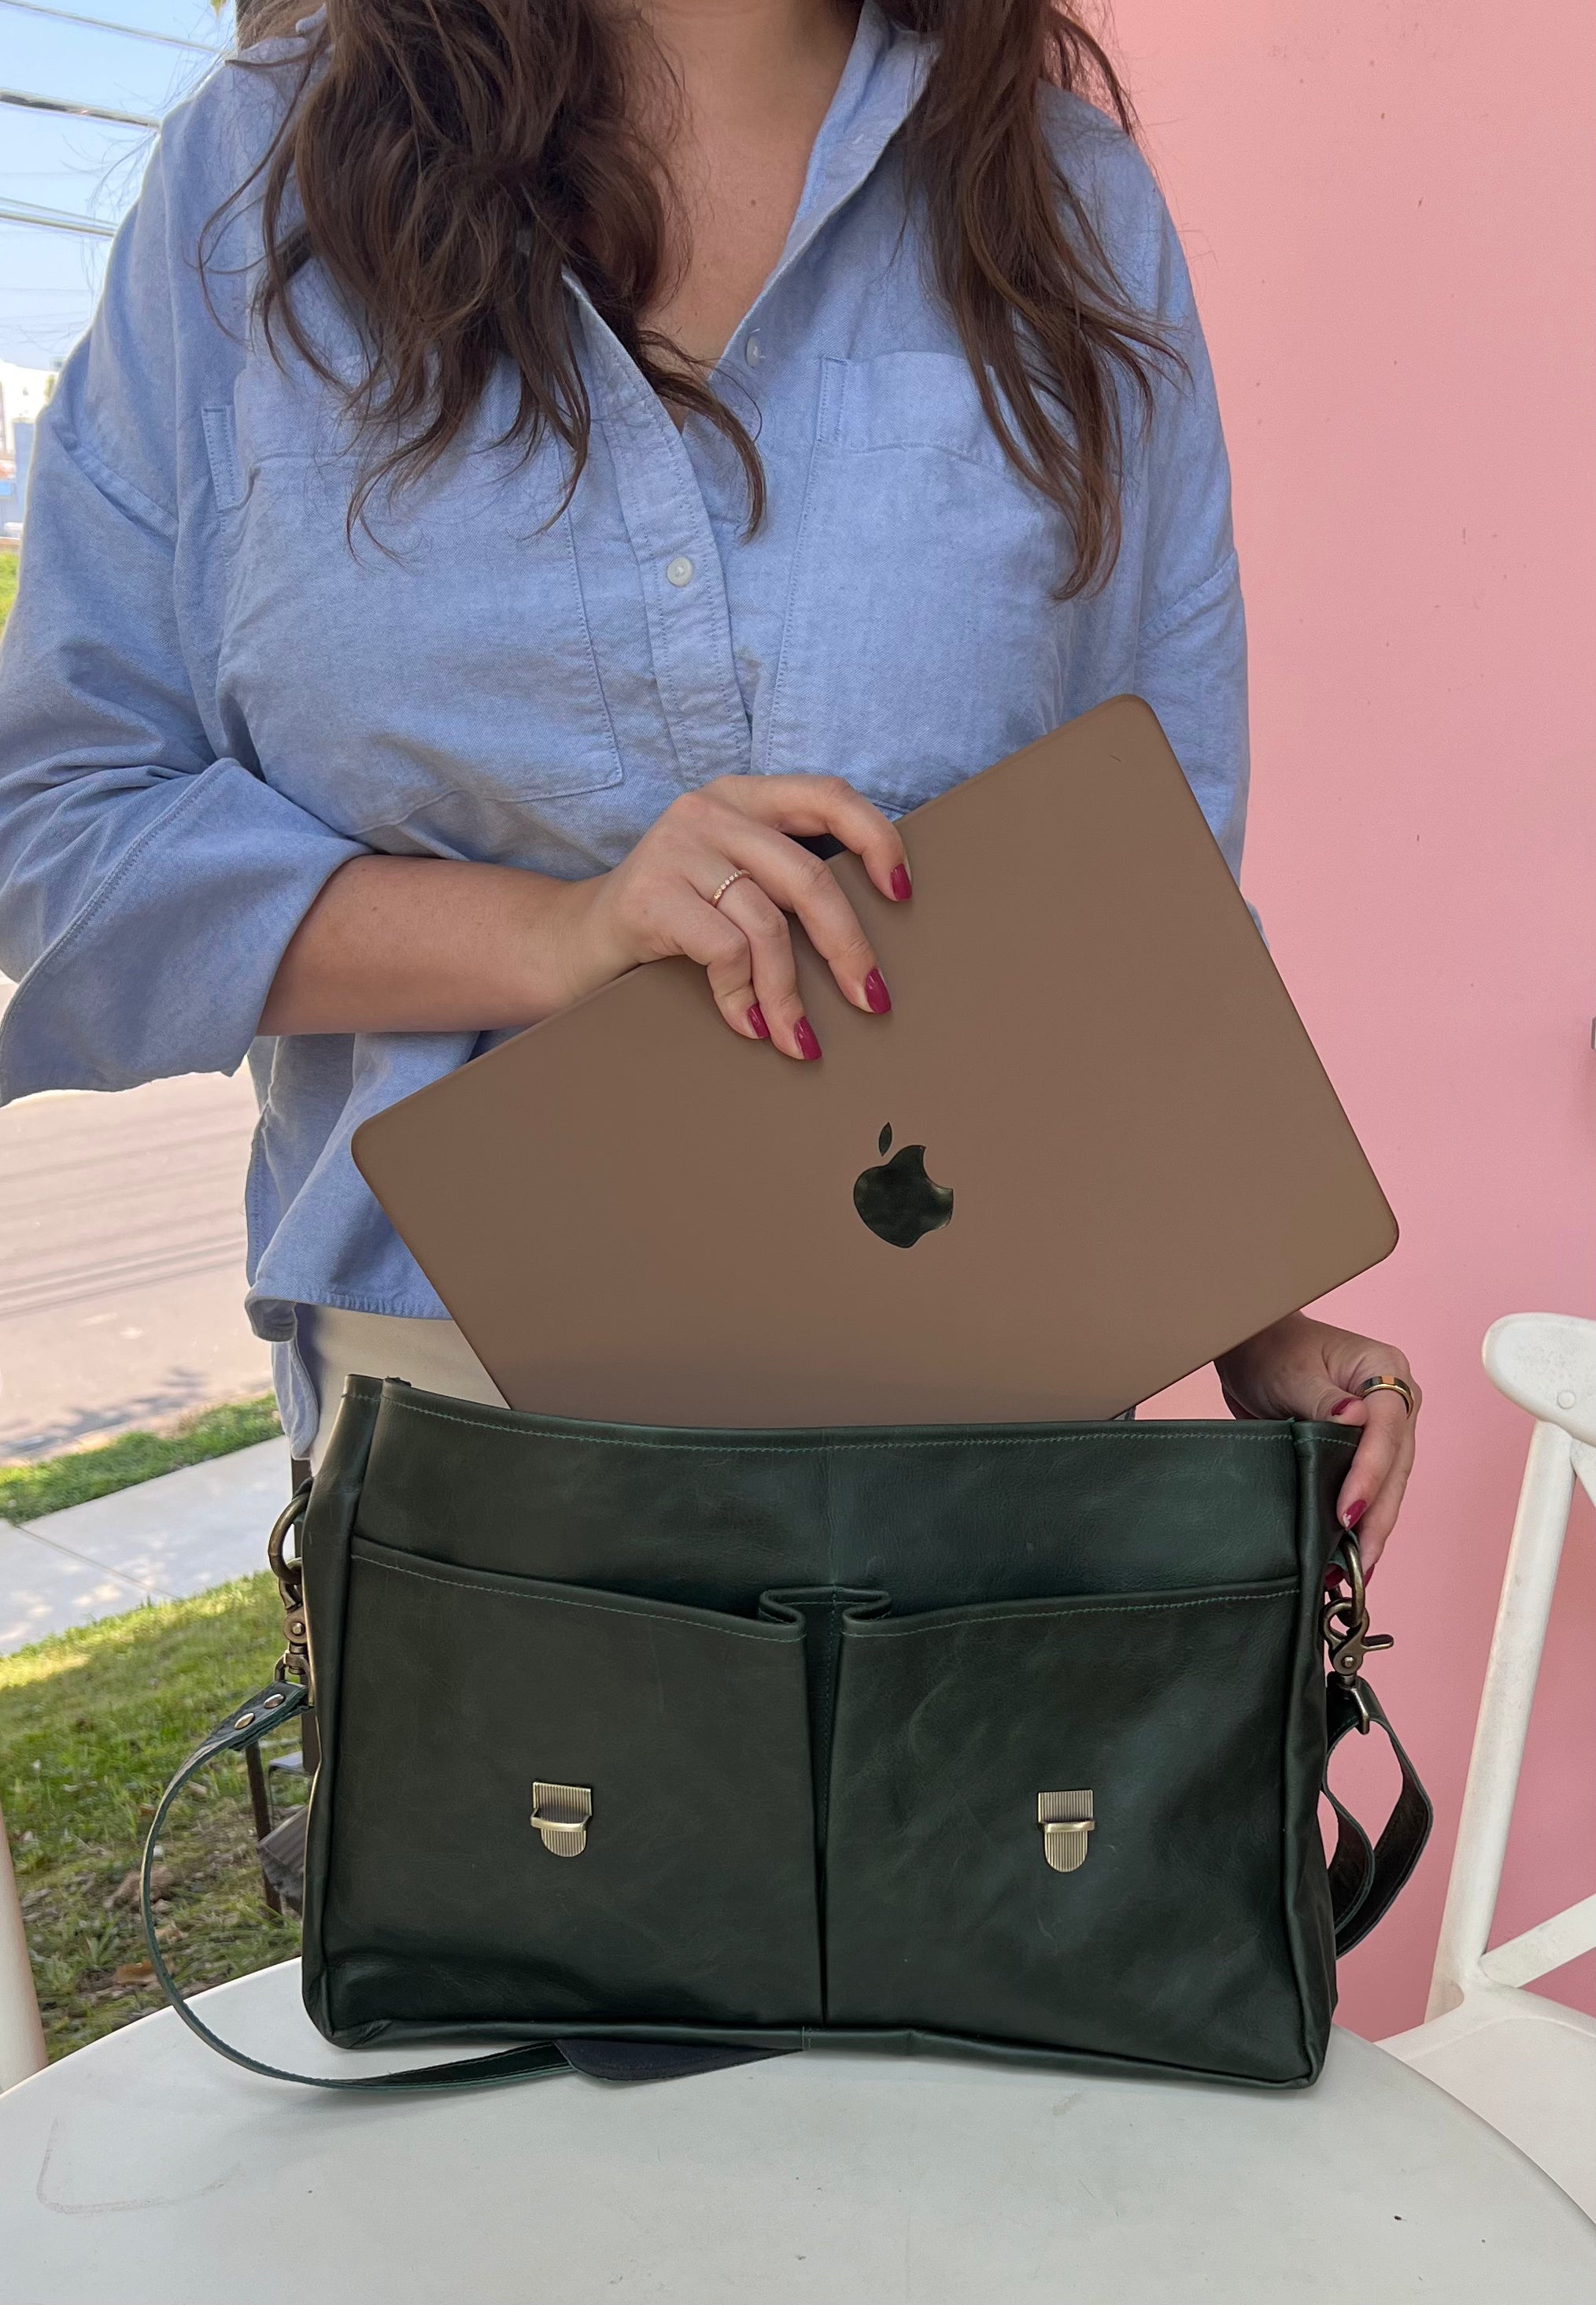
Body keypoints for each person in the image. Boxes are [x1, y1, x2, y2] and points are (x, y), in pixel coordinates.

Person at [0, 0, 1417, 1553]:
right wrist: (554, 937)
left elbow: (1145, 874)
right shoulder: (259, 174)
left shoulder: (1062, 194)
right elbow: (66, 831)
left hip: (992, 1404)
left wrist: (1234, 1295)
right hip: (468, 1442)